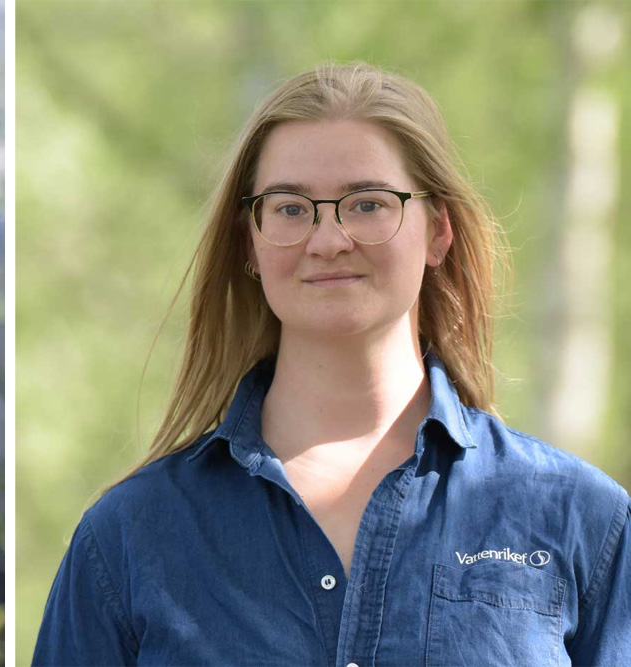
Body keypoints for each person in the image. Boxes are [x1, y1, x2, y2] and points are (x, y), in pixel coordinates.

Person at [31, 61, 631, 666]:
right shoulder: (131, 536)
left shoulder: (581, 518)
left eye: (368, 204)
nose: (328, 240)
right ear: (251, 243)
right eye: (291, 208)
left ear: (438, 232)